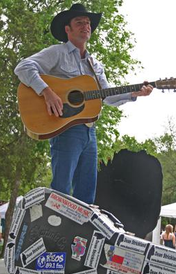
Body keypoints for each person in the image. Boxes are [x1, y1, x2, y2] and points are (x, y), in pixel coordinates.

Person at [14, 3, 153, 204]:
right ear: (67, 29)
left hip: (89, 131)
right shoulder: (57, 52)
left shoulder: (95, 65)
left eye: (87, 23)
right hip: (65, 128)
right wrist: (47, 92)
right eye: (79, 22)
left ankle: (78, 234)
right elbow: (23, 67)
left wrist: (134, 93)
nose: (85, 26)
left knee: (87, 193)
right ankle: (54, 232)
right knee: (61, 189)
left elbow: (106, 96)